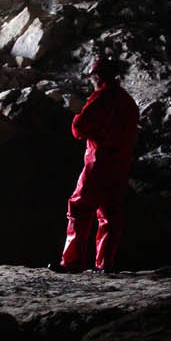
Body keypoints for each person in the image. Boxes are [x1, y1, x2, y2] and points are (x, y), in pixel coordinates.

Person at [51, 57, 138, 273]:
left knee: (79, 209)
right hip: (121, 164)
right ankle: (105, 264)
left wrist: (78, 117)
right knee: (111, 213)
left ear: (97, 77)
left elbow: (79, 128)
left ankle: (71, 262)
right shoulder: (127, 100)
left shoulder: (102, 97)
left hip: (98, 163)